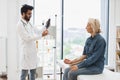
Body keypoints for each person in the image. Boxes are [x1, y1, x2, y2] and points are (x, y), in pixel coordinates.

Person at [17, 4, 48, 80]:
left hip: (32, 53)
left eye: (31, 14)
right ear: (23, 14)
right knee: (23, 75)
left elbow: (38, 31)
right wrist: (41, 35)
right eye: (29, 14)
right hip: (26, 53)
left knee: (33, 74)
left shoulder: (29, 23)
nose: (30, 15)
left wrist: (46, 26)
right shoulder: (20, 25)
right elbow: (28, 38)